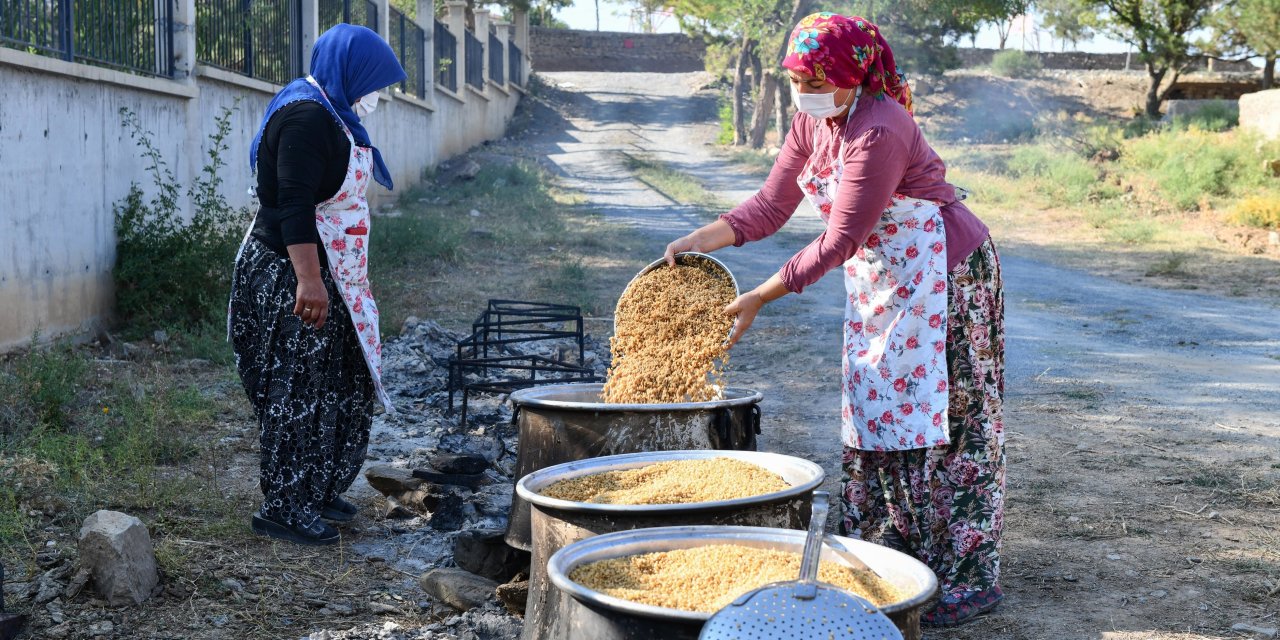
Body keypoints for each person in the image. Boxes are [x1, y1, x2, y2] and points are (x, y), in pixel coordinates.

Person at [664, 13, 1005, 627]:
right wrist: (700, 239)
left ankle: (965, 573)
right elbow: (771, 205)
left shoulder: (881, 127)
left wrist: (759, 297)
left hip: (947, 275)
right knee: (881, 404)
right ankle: (892, 555)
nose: (805, 92)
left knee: (950, 418)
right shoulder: (810, 122)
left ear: (855, 77)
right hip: (887, 276)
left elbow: (841, 236)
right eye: (798, 79)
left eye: (819, 79)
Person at [228, 24, 405, 546]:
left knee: (341, 382)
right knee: (297, 390)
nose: (378, 94)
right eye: (374, 80)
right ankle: (283, 505)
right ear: (352, 72)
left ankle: (318, 488)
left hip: (333, 274)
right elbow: (290, 204)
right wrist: (309, 280)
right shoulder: (307, 116)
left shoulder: (336, 113)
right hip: (290, 275)